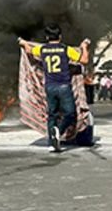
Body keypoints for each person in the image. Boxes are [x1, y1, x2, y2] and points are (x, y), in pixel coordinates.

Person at [19, 25, 90, 153]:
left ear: (47, 37)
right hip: (64, 87)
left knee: (52, 115)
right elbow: (84, 60)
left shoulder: (42, 49)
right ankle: (59, 131)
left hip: (49, 87)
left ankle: (53, 143)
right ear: (60, 36)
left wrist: (23, 43)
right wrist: (84, 47)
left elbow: (29, 51)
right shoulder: (65, 49)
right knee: (70, 114)